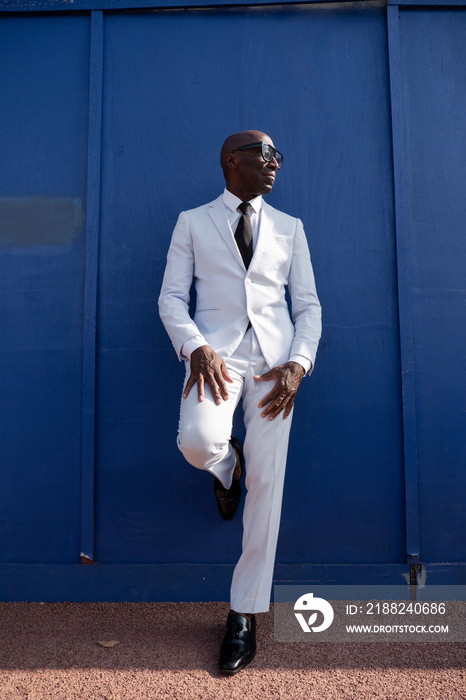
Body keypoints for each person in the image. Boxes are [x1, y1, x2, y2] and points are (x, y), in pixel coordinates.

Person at [158, 130, 321, 674]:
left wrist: (299, 364)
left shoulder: (290, 228)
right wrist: (197, 347)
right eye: (265, 154)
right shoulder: (193, 222)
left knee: (268, 491)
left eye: (278, 156)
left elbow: (308, 306)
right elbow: (172, 298)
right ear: (233, 160)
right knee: (197, 443)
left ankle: (244, 614)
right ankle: (227, 466)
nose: (275, 163)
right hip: (217, 361)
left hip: (276, 369)